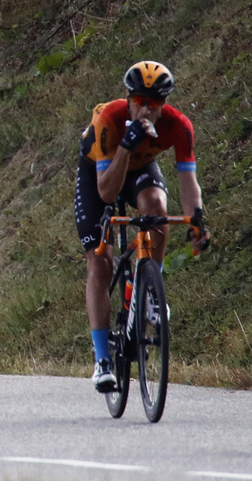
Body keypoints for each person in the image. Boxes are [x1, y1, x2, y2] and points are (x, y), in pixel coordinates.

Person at [76, 60, 209, 392]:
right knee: (99, 261)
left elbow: (188, 182)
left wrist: (196, 220)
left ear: (164, 103)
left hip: (140, 170)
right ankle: (102, 359)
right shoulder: (109, 118)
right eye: (139, 101)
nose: (146, 109)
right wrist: (126, 144)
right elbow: (106, 192)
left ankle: (148, 287)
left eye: (154, 103)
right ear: (128, 98)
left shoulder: (178, 125)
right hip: (101, 171)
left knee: (157, 209)